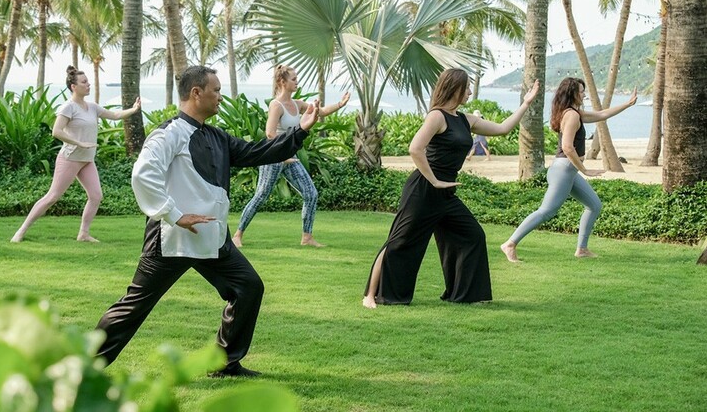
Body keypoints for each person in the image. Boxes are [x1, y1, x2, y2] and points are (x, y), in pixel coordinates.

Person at [95, 65, 318, 377]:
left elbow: (256, 152)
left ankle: (225, 364)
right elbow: (144, 174)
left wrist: (300, 132)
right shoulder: (169, 133)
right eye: (216, 90)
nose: (220, 97)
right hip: (172, 239)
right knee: (134, 306)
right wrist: (174, 215)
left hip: (212, 237)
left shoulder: (216, 136)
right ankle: (85, 367)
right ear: (196, 93)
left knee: (247, 287)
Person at [362, 70, 540, 308]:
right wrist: (434, 181)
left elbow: (503, 128)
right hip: (423, 190)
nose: (469, 92)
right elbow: (415, 148)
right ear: (455, 88)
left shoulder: (466, 120)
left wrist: (526, 103)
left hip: (446, 193)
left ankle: (464, 294)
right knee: (399, 241)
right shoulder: (437, 117)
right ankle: (370, 296)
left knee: (472, 234)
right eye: (467, 88)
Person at [500, 78, 637, 262]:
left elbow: (602, 114)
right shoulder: (571, 116)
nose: (584, 94)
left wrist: (627, 104)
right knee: (546, 211)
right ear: (572, 93)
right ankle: (510, 243)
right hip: (563, 170)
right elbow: (567, 147)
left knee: (594, 205)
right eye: (581, 91)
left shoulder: (575, 113)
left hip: (567, 171)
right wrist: (585, 170)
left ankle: (582, 249)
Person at [11, 67, 141, 243]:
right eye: (84, 82)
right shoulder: (68, 107)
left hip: (87, 160)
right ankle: (21, 231)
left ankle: (83, 234)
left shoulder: (92, 107)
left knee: (96, 196)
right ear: (74, 86)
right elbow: (56, 131)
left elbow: (115, 114)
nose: (88, 85)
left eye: (88, 81)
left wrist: (133, 109)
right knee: (52, 197)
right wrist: (79, 143)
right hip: (70, 158)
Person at [232, 65, 349, 248]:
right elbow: (270, 133)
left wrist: (340, 104)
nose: (297, 82)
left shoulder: (297, 104)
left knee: (311, 194)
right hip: (273, 157)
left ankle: (307, 237)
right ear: (282, 82)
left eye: (296, 78)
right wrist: (282, 154)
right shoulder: (276, 105)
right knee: (261, 196)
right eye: (293, 79)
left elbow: (321, 112)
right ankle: (237, 235)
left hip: (290, 157)